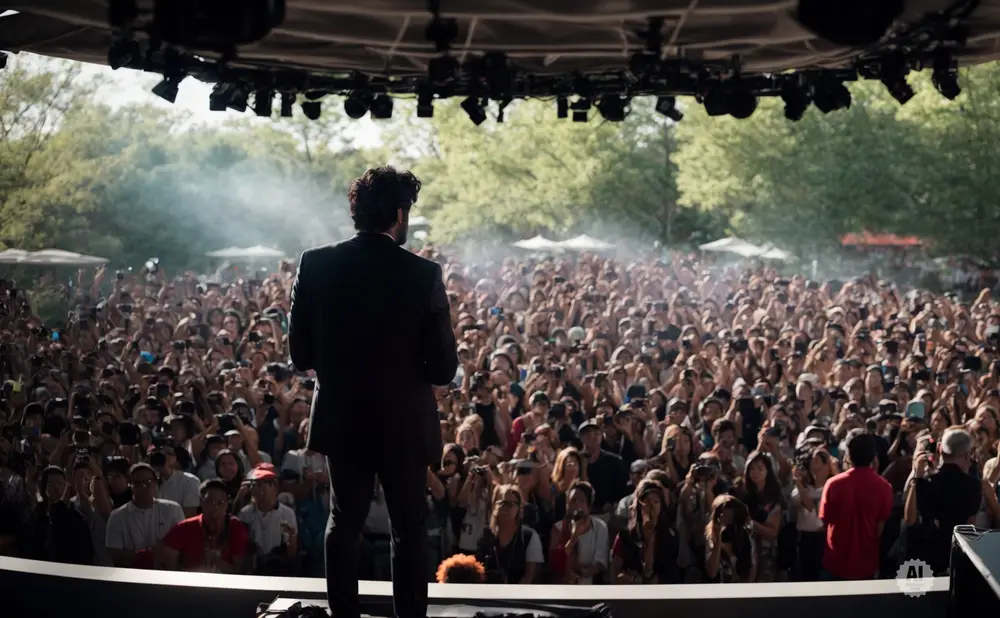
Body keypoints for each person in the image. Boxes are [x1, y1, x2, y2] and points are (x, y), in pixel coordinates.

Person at [288, 166, 458, 618]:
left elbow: (300, 355)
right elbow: (443, 369)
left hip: (343, 421)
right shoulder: (423, 274)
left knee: (343, 523)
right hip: (404, 423)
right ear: (399, 214)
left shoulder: (315, 263)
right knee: (409, 528)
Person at [903, 427, 982, 574]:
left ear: (940, 450)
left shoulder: (926, 482)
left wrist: (916, 478)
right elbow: (970, 527)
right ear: (967, 456)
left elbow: (909, 520)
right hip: (955, 555)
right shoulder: (974, 485)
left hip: (925, 555)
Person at [818, 429, 893, 580]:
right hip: (866, 562)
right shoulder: (884, 487)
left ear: (848, 455)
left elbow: (825, 520)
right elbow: (879, 529)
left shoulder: (833, 484)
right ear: (873, 456)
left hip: (835, 561)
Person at [157, 478, 251, 572]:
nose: (215, 507)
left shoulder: (236, 527)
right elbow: (167, 560)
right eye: (210, 501)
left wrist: (217, 563)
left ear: (227, 503)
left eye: (220, 502)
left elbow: (240, 570)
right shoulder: (185, 527)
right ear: (201, 502)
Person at [104, 463, 185, 569]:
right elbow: (114, 553)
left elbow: (183, 543)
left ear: (156, 482)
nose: (144, 486)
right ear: (130, 485)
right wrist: (147, 557)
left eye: (148, 482)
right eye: (138, 483)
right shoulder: (117, 517)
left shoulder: (173, 509)